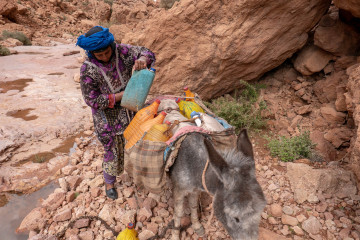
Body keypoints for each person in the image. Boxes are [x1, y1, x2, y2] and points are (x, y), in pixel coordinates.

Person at [76, 26, 156, 200]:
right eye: (100, 55)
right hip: (107, 119)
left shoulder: (123, 51)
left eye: (107, 52)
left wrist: (142, 59)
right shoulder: (87, 70)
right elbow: (92, 100)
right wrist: (121, 96)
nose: (105, 57)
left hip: (132, 110)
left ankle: (138, 174)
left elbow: (147, 52)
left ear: (111, 46)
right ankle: (109, 182)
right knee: (112, 149)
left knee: (137, 141)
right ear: (92, 53)